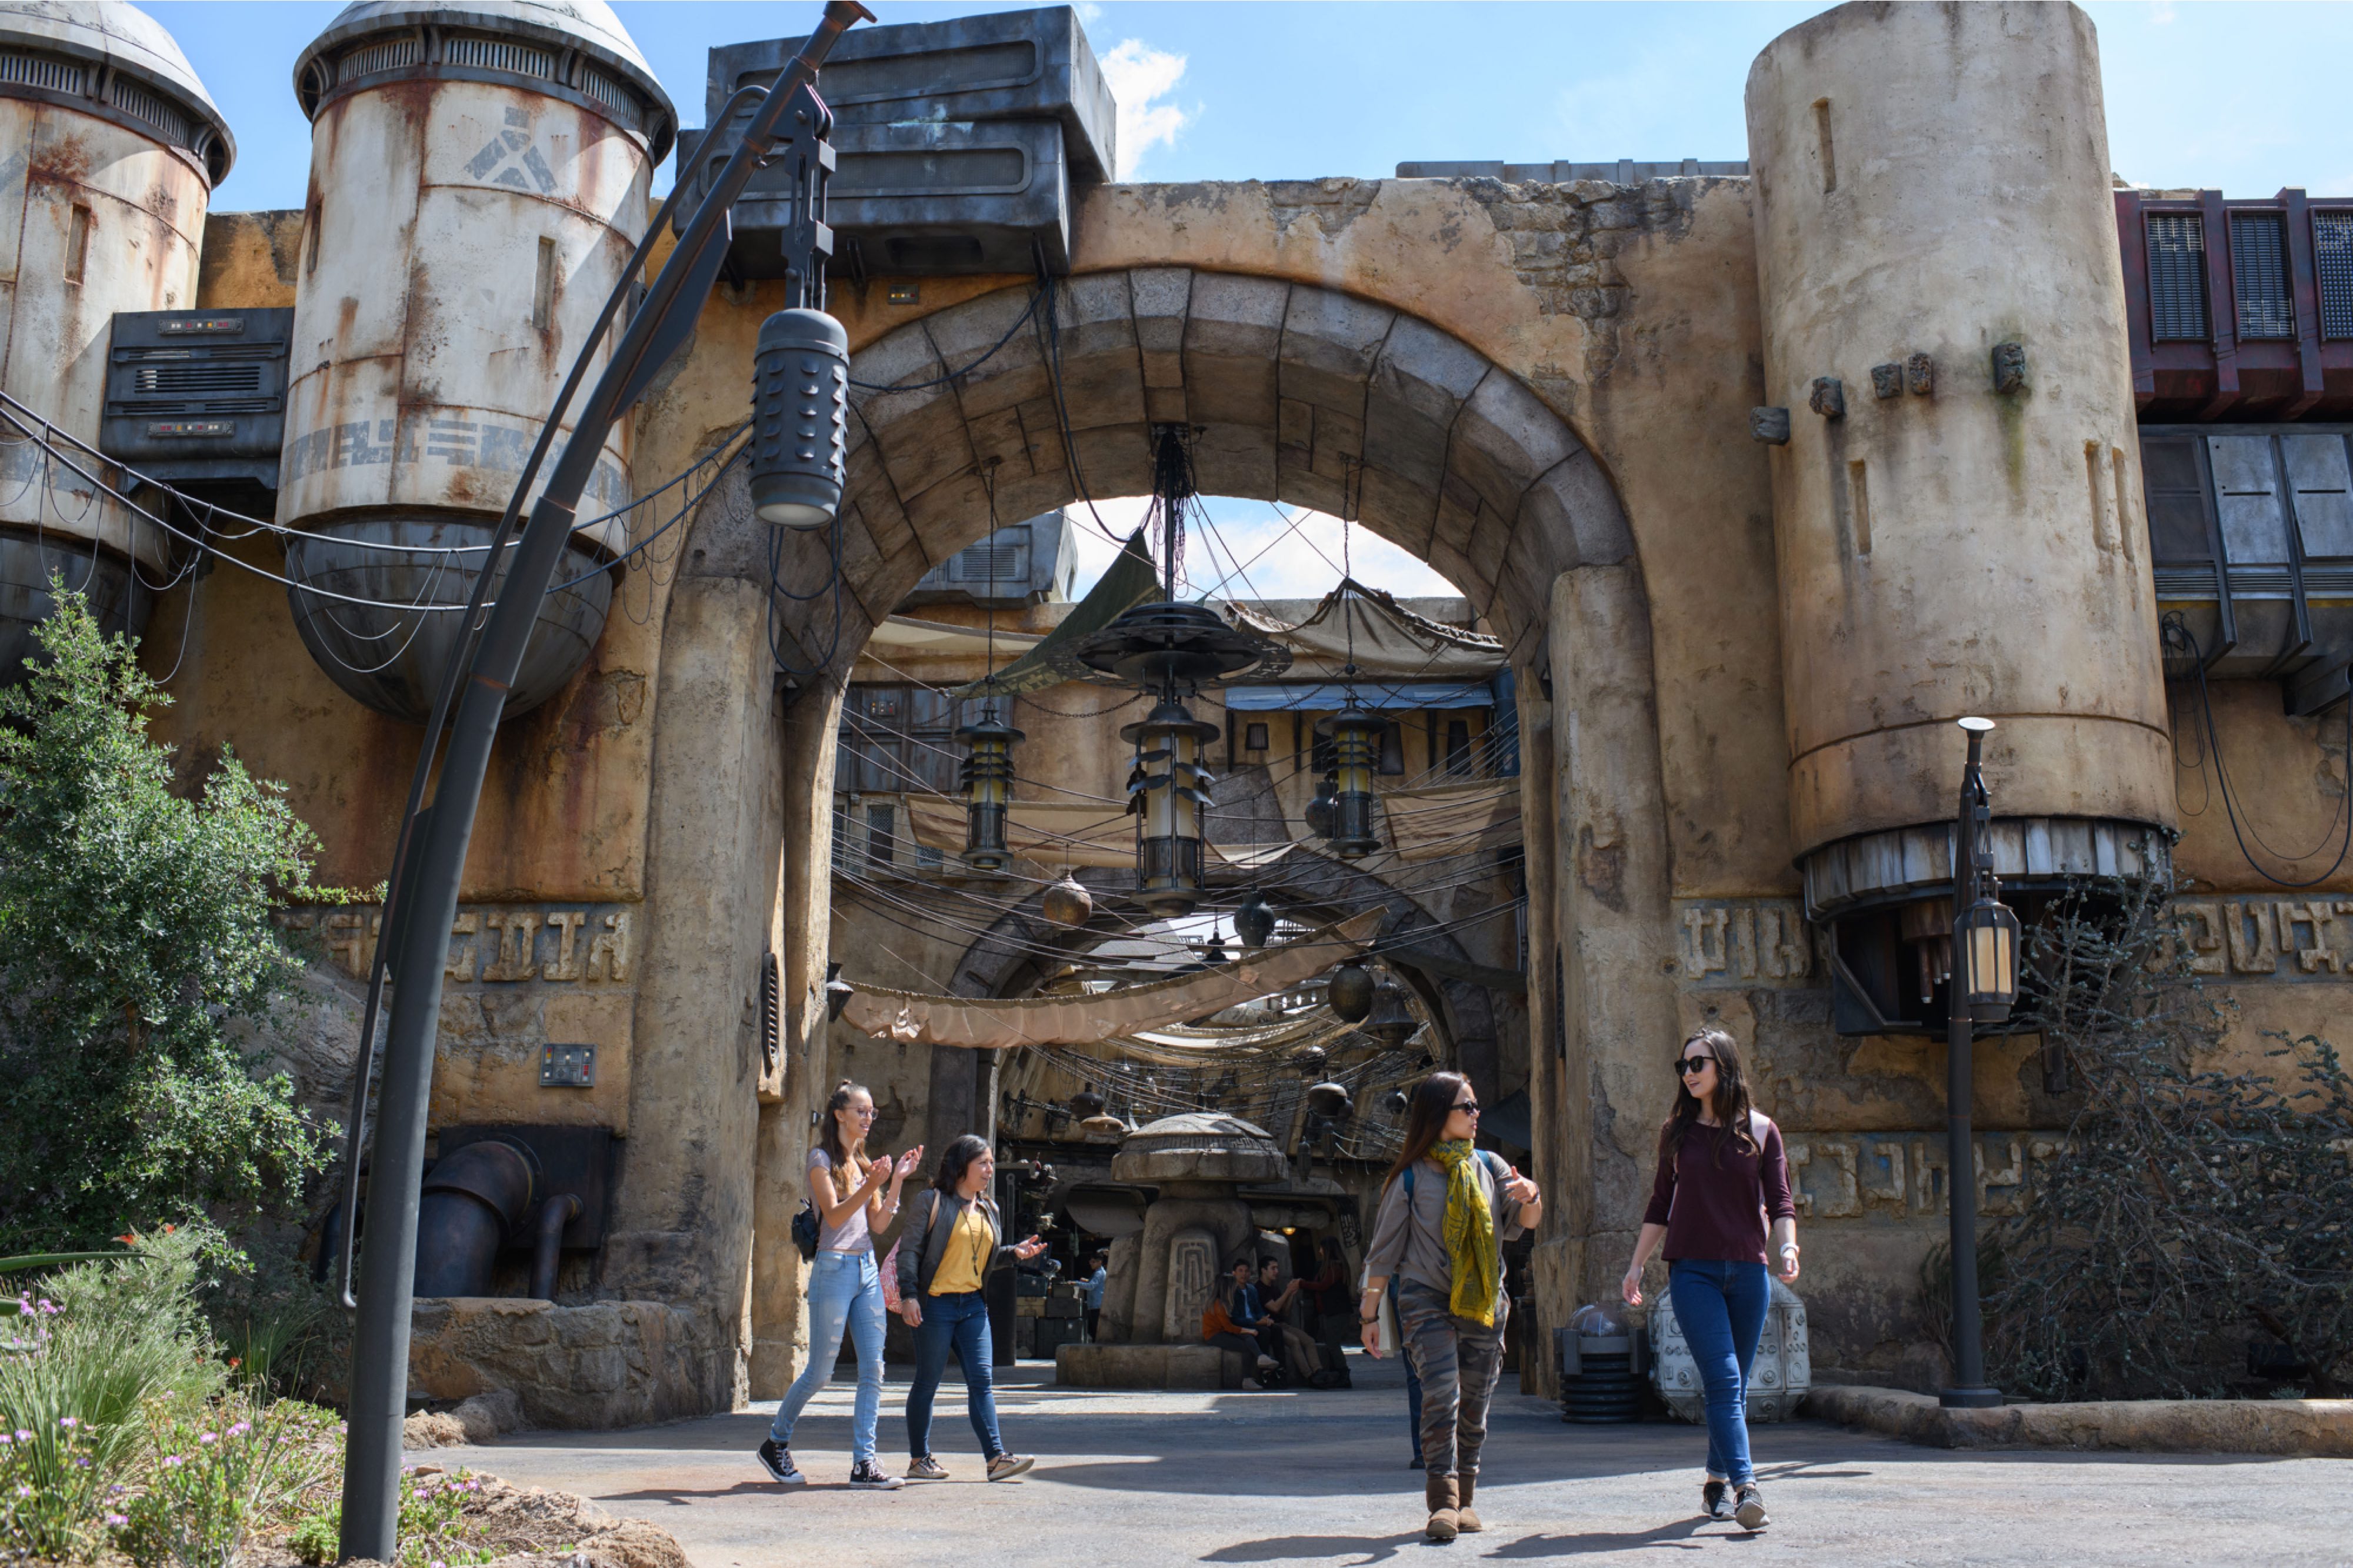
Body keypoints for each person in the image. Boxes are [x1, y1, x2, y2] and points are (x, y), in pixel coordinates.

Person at [1621, 1026, 1800, 1533]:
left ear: (1724, 1065)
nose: (1689, 1073)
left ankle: (1715, 1484)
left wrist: (1786, 1245)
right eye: (1684, 1066)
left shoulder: (1762, 1131)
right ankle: (1748, 1487)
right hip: (1693, 1271)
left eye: (1698, 1063)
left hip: (1748, 1272)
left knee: (1734, 1386)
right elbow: (1660, 1204)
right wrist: (1637, 1264)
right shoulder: (1676, 1132)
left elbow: (1781, 1202)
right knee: (1722, 1379)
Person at [1360, 1071, 1542, 1543]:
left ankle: (1466, 1499)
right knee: (1442, 1393)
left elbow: (1523, 1221)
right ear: (1439, 1114)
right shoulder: (1410, 1178)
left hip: (1483, 1300)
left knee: (1475, 1405)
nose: (1477, 1115)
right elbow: (1384, 1252)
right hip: (1426, 1298)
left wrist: (1532, 1196)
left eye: (1477, 1107)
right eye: (1468, 1108)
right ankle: (1442, 1502)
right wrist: (1369, 1315)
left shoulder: (1490, 1166)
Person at [755, 1080, 922, 1491]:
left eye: (872, 1113)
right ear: (840, 1115)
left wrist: (896, 1179)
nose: (868, 1118)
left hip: (865, 1268)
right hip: (833, 1269)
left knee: (874, 1369)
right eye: (861, 1111)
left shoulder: (864, 1163)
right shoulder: (821, 1160)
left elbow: (879, 1224)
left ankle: (864, 1463)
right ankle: (775, 1442)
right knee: (821, 1372)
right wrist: (870, 1184)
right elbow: (832, 1216)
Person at [897, 1136, 1046, 1482]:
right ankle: (919, 1458)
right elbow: (909, 1252)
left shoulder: (988, 1210)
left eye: (992, 1163)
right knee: (927, 1382)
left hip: (973, 1307)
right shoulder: (930, 1202)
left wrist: (1014, 1254)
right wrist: (909, 1295)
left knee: (982, 1381)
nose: (989, 1170)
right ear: (962, 1166)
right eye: (983, 1163)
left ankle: (996, 1459)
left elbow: (985, 1260)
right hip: (935, 1304)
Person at [1205, 1257, 1280, 1389]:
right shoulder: (1220, 1305)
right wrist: (1251, 1328)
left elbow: (1257, 1310)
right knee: (1247, 1344)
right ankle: (1252, 1372)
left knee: (1261, 1333)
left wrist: (1261, 1320)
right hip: (1215, 1334)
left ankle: (1264, 1363)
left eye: (1246, 1271)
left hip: (1230, 1329)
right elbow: (1229, 1327)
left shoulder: (1249, 1291)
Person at [1256, 1255, 1325, 1384]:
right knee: (1294, 1341)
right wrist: (1288, 1291)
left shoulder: (1274, 1288)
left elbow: (1285, 1312)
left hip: (1282, 1324)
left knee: (1309, 1341)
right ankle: (1309, 1376)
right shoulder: (1259, 1288)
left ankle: (1318, 1371)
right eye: (1273, 1268)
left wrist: (1292, 1295)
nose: (1276, 1271)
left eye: (1277, 1268)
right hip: (1271, 1327)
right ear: (1263, 1270)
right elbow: (1275, 1308)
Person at [1082, 1253, 1107, 1342]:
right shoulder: (1098, 1273)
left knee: (1095, 1329)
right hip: (1095, 1305)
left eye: (1093, 1262)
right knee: (1093, 1329)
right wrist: (1087, 1281)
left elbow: (1091, 1286)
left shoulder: (1099, 1273)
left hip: (1097, 1306)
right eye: (1090, 1262)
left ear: (1099, 1262)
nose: (1091, 1264)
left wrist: (1076, 1284)